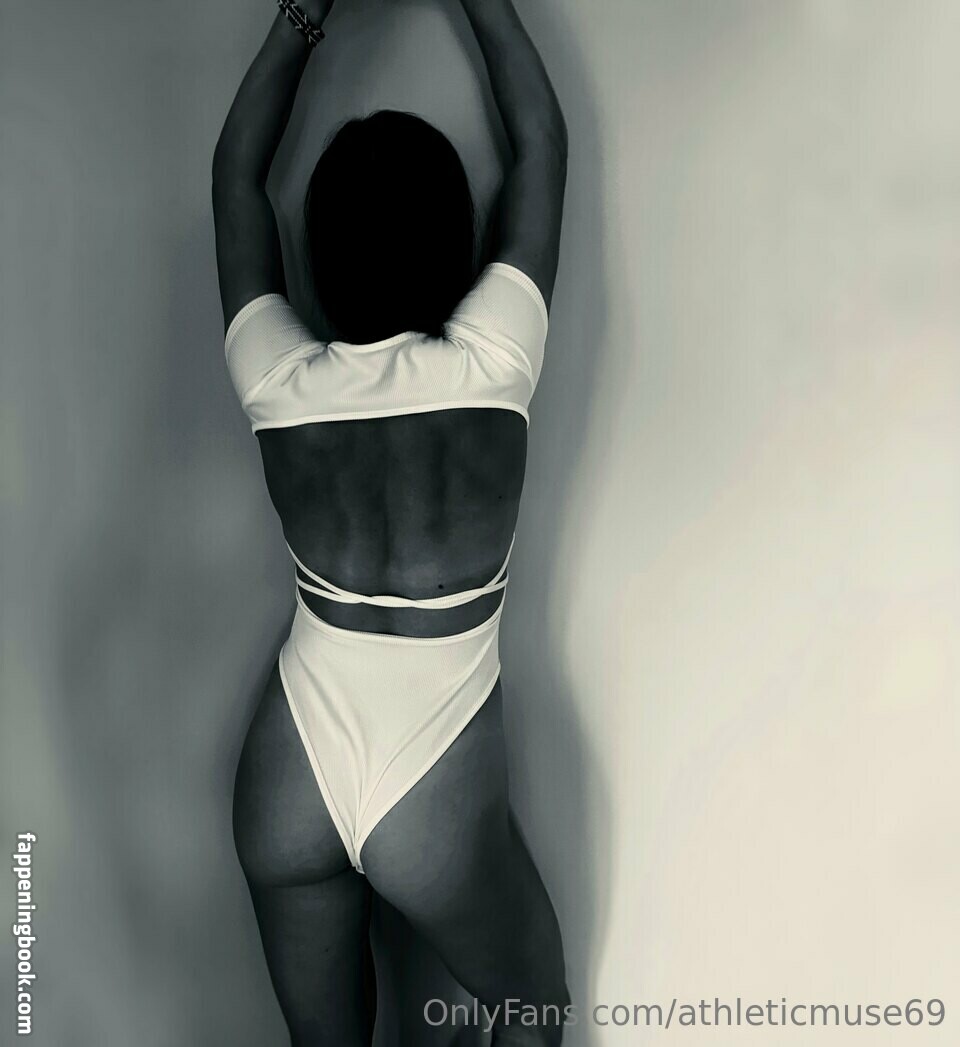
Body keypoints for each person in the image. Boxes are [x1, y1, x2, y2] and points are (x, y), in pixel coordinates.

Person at [212, 1, 569, 1043]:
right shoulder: (493, 365)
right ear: (460, 241)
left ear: (318, 253)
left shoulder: (280, 382)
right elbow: (541, 141)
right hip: (431, 789)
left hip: (290, 767)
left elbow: (235, 176)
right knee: (534, 1012)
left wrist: (303, 12)